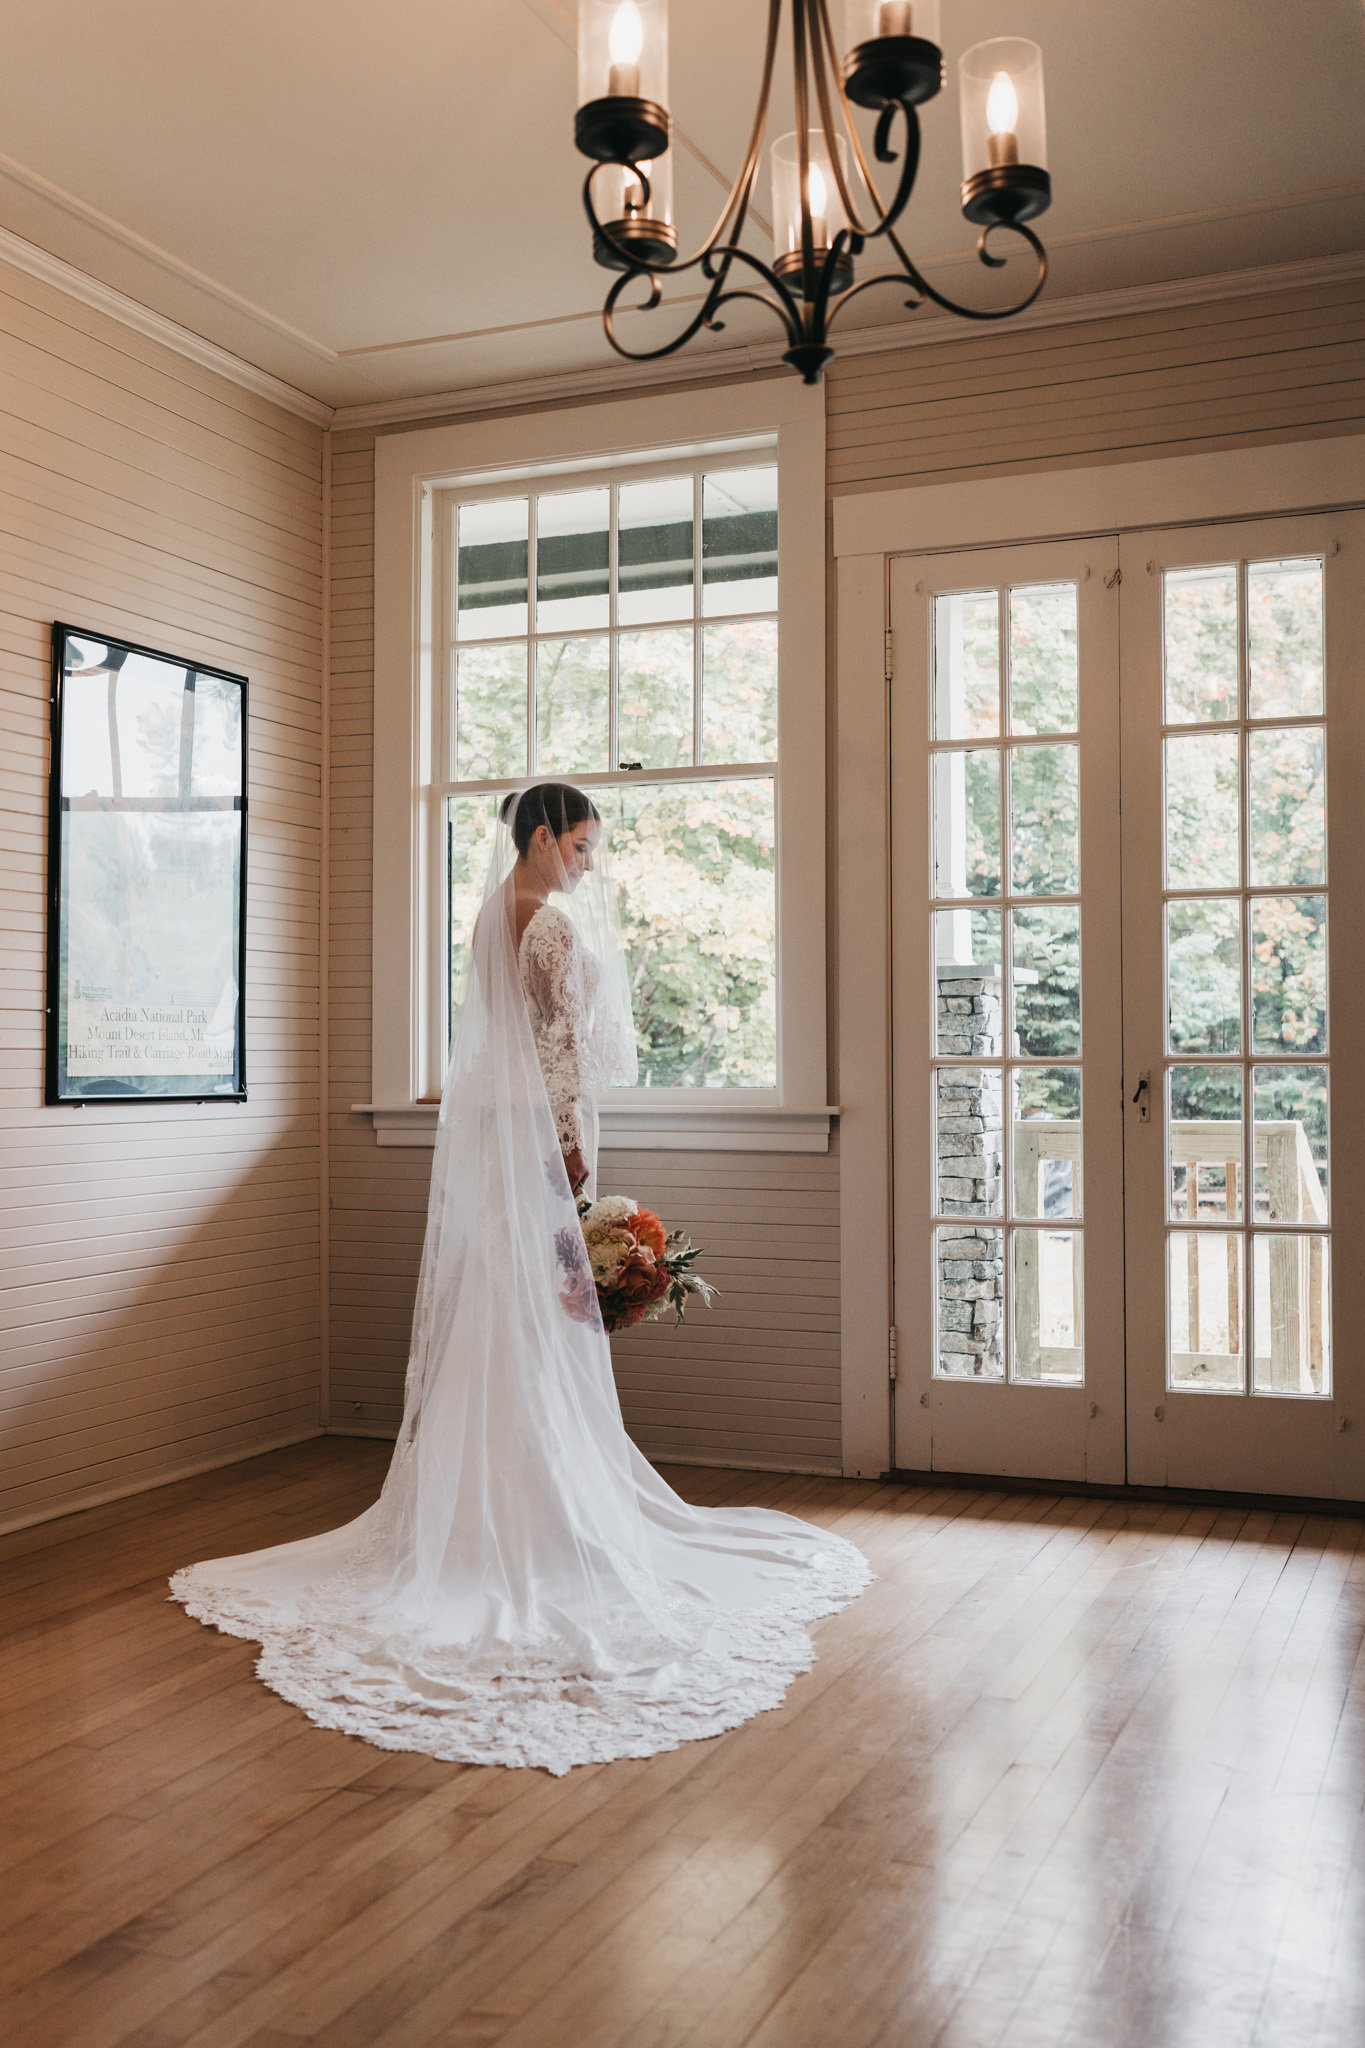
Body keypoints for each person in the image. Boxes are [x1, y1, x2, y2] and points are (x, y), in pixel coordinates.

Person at [171, 783, 870, 1774]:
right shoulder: (544, 923)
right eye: (580, 843)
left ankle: (479, 1503)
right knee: (532, 1310)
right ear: (543, 834)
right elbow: (567, 1048)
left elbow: (511, 1042)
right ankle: (538, 1510)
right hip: (539, 1135)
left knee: (506, 1307)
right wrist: (573, 1151)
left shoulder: (490, 912)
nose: (588, 862)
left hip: (501, 1136)